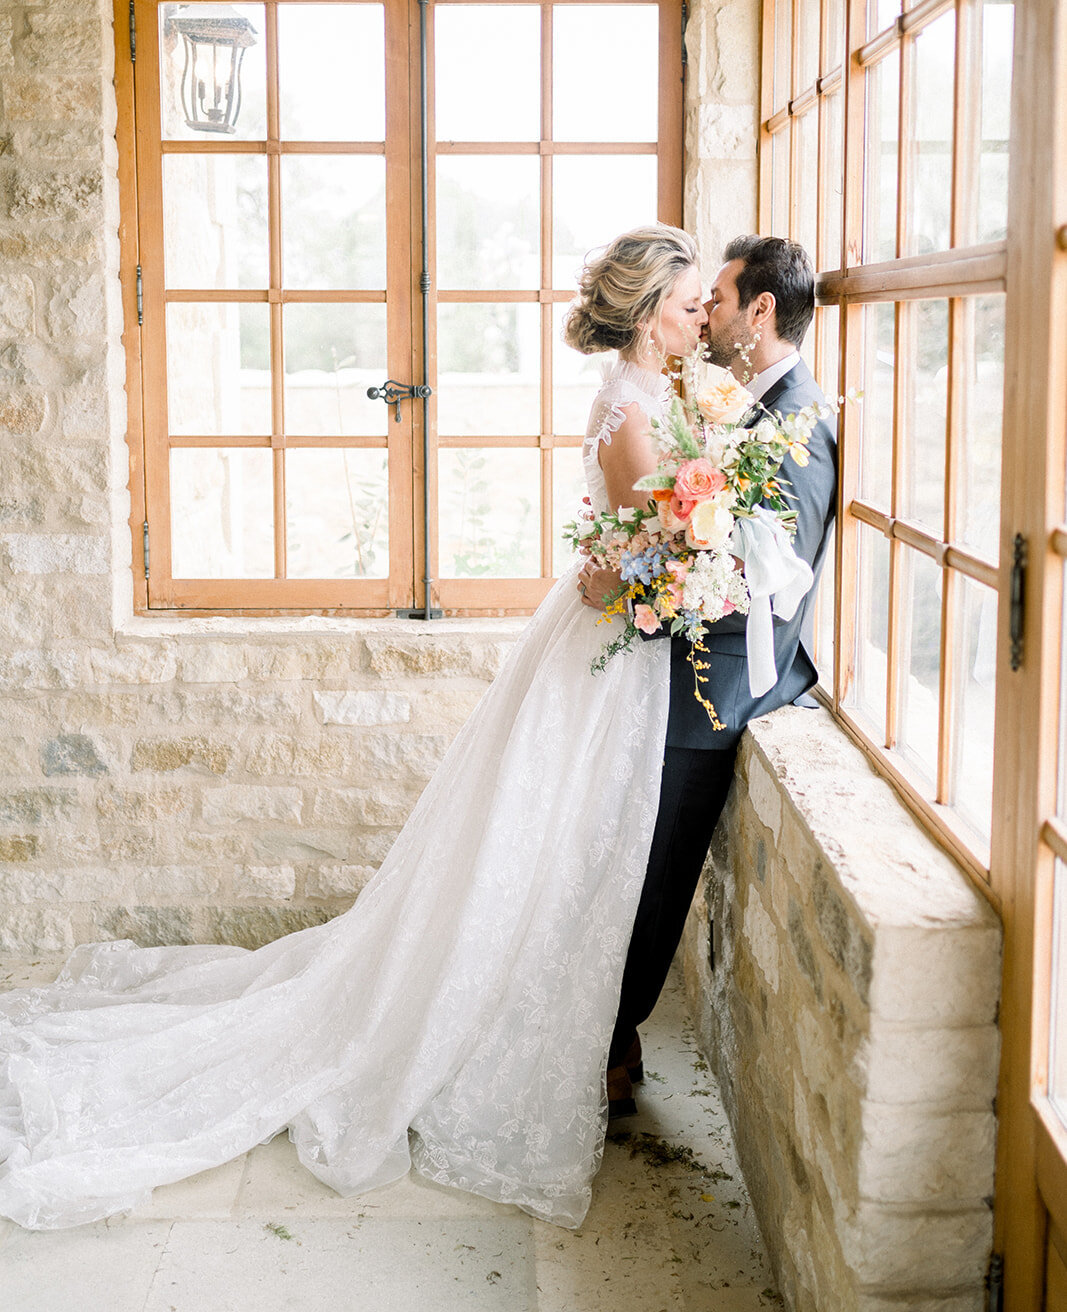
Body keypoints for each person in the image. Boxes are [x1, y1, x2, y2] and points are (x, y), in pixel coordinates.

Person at [0, 225, 704, 1234]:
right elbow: (628, 563)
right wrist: (698, 546)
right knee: (556, 852)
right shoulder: (629, 408)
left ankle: (570, 1027)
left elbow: (632, 544)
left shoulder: (656, 394)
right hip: (605, 657)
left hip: (611, 656)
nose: (696, 317)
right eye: (684, 303)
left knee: (563, 854)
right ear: (646, 312)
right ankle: (519, 1031)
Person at [578, 234, 837, 1116]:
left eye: (715, 299)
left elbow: (777, 580)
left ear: (758, 310)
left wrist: (648, 568)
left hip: (712, 682)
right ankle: (604, 1037)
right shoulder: (719, 402)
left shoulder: (791, 416)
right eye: (693, 301)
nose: (706, 313)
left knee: (651, 873)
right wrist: (636, 565)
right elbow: (678, 525)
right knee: (638, 870)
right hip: (664, 665)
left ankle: (607, 1037)